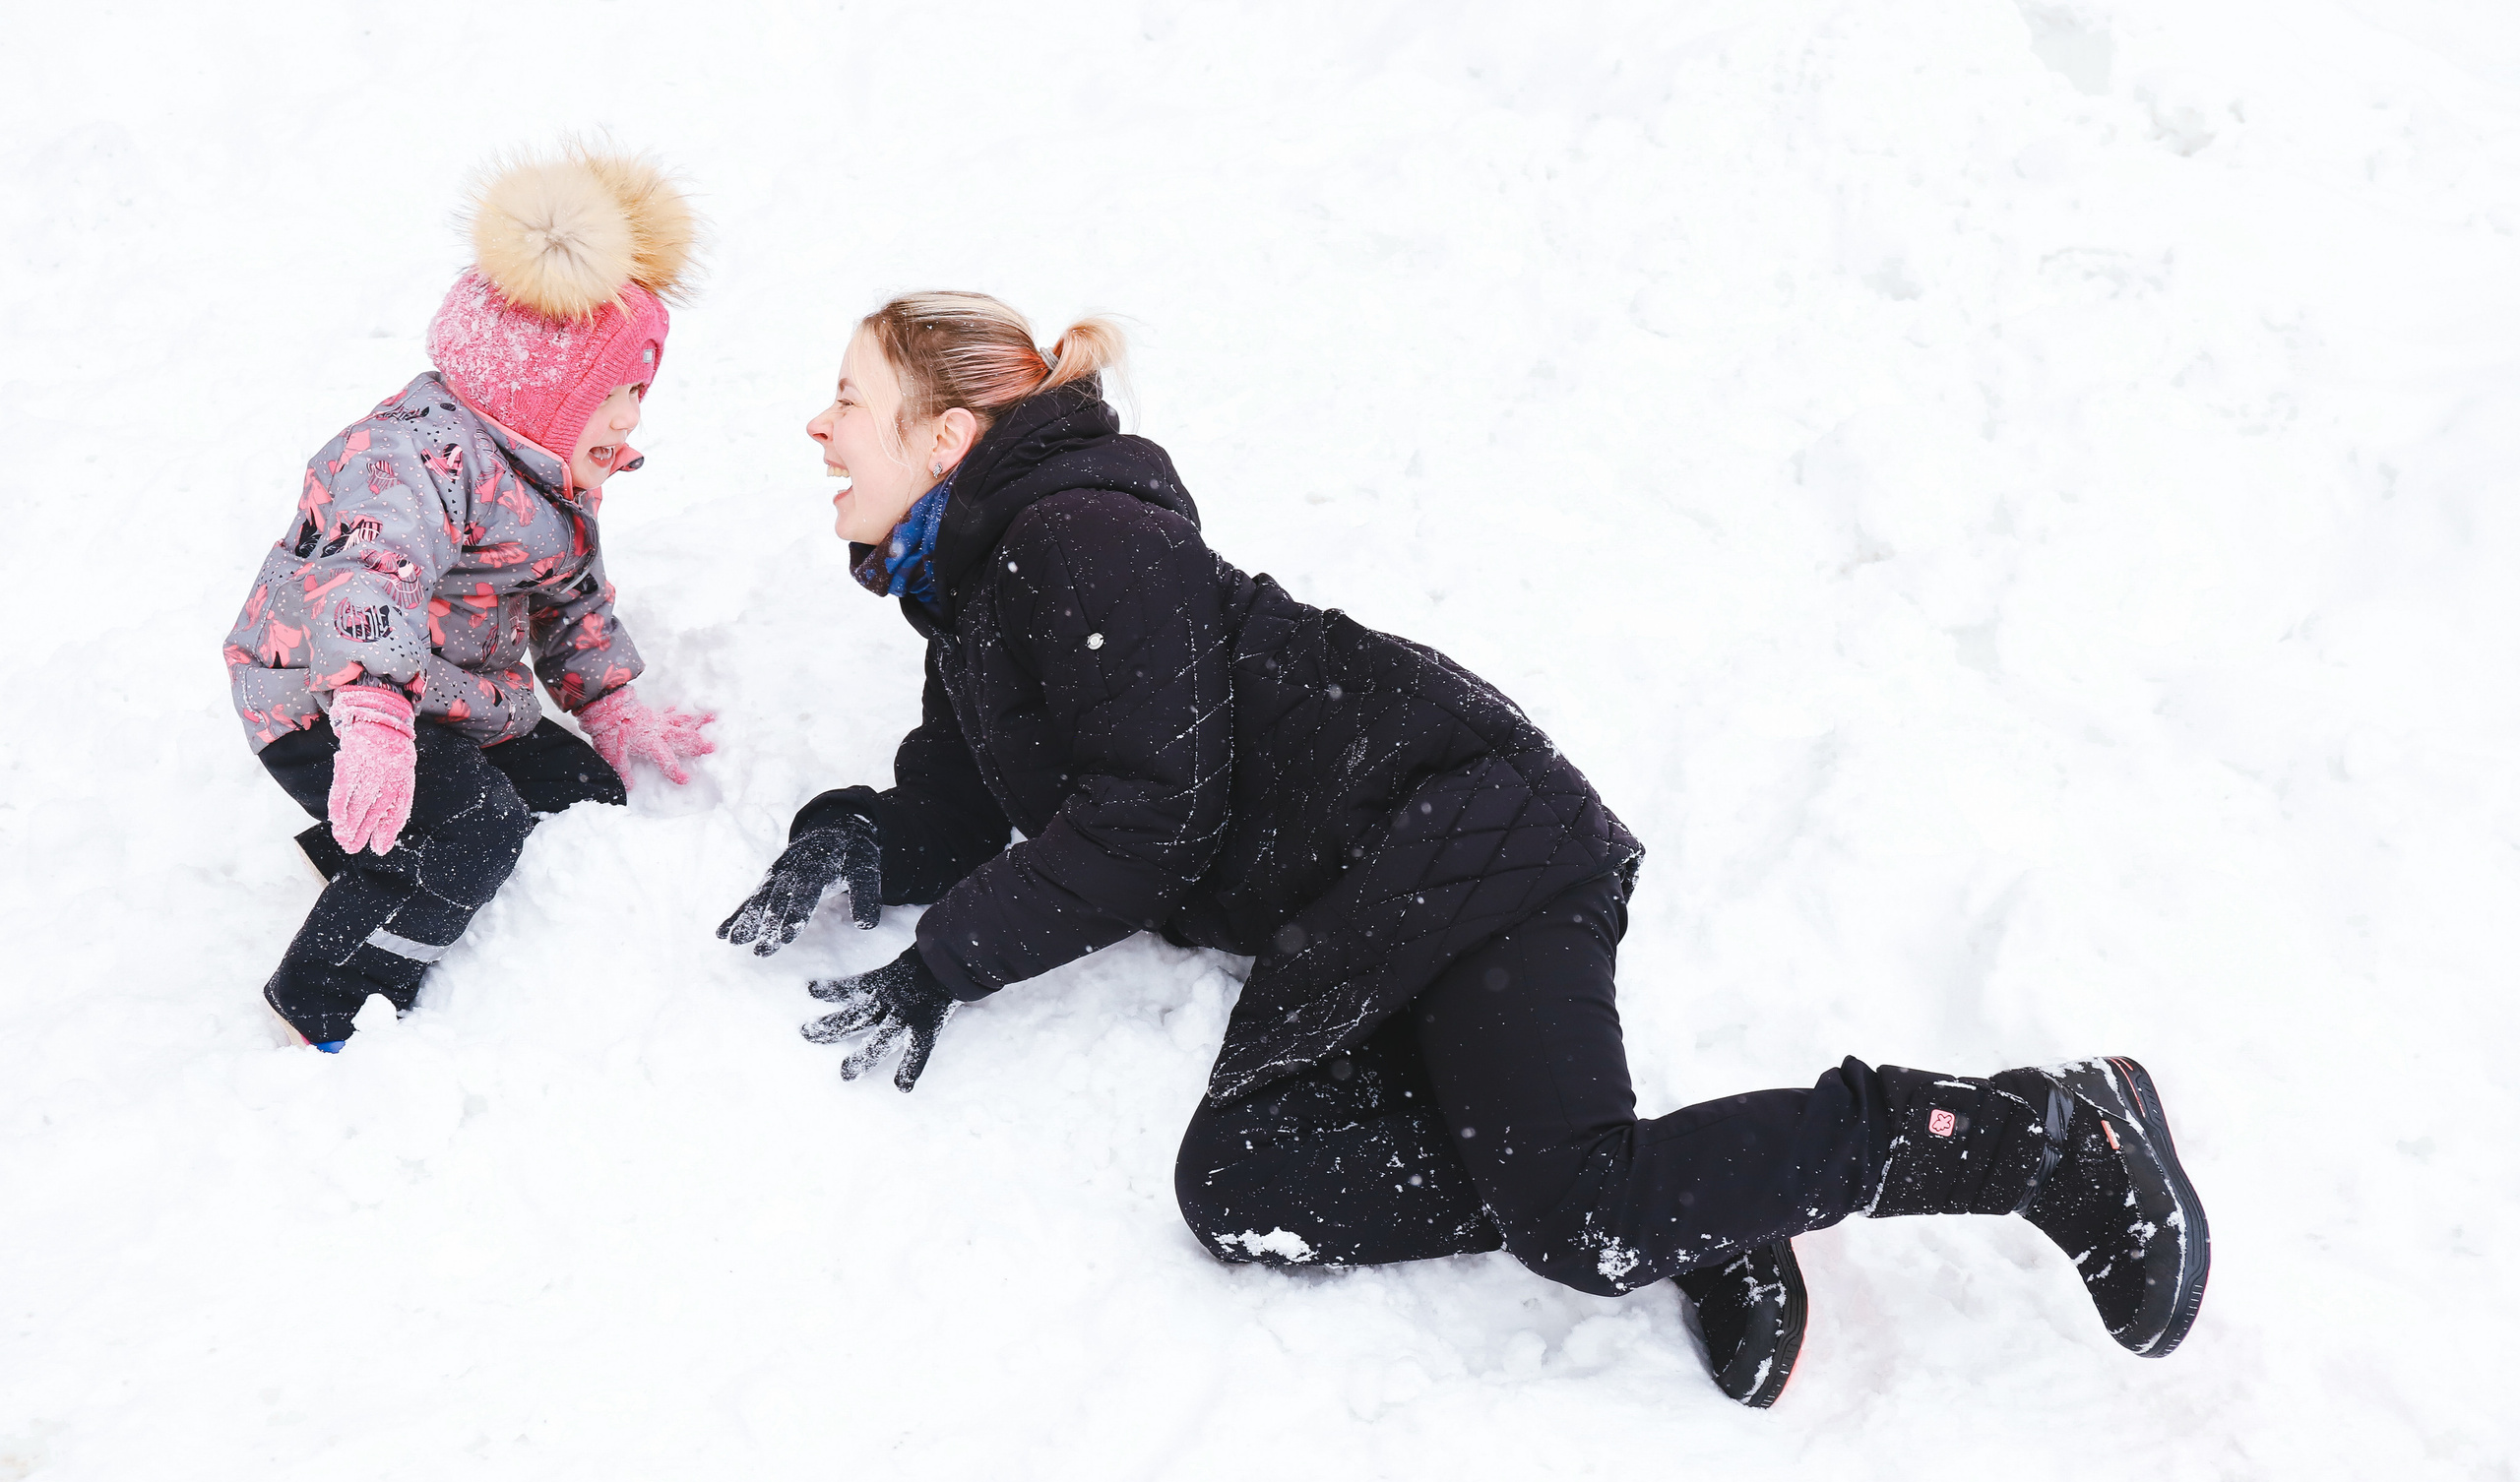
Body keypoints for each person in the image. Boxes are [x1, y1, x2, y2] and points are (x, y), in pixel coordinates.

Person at [718, 292, 2210, 1405]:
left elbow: (1148, 819)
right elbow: (976, 804)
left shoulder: (1085, 539)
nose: (819, 424)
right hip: (1359, 911)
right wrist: (851, 845)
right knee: (1246, 1182)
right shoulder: (984, 597)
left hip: (1457, 832)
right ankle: (1719, 1201)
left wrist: (946, 964)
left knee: (1576, 1211)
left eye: (845, 395)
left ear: (947, 432)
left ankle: (2049, 1136)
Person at [227, 146, 716, 1051]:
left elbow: (571, 595)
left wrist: (609, 703)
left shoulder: (548, 476)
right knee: (477, 830)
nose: (633, 419)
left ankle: (354, 847)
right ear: (546, 387)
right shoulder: (406, 457)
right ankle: (331, 994)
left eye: (641, 393)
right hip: (324, 694)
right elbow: (366, 573)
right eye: (617, 394)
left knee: (584, 796)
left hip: (448, 697)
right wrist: (371, 716)